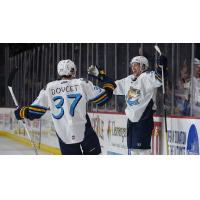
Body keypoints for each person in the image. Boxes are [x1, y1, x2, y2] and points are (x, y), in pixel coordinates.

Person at [14, 59, 116, 155]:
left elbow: (35, 112)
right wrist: (104, 78)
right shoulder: (82, 83)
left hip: (64, 134)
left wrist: (22, 112)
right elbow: (104, 98)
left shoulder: (49, 87)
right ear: (73, 70)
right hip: (85, 131)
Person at [89, 56, 167, 155]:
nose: (133, 68)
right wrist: (102, 77)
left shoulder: (146, 77)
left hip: (144, 120)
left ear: (143, 66)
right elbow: (113, 86)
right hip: (131, 121)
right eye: (132, 65)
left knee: (143, 151)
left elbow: (159, 79)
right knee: (133, 151)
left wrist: (161, 67)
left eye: (136, 65)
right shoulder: (128, 79)